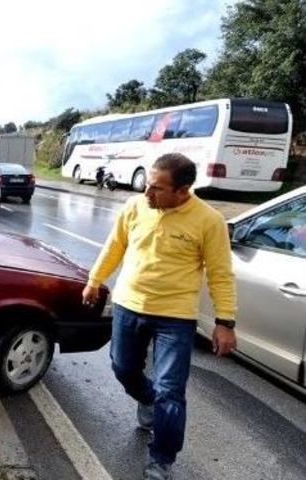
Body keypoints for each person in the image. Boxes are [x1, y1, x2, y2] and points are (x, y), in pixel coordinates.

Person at [82, 153, 237, 480]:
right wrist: (95, 281)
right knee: (123, 369)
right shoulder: (135, 207)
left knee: (171, 391)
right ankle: (149, 400)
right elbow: (114, 246)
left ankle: (161, 459)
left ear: (183, 190)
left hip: (175, 317)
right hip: (128, 304)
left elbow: (221, 274)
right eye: (147, 186)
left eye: (157, 189)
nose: (147, 194)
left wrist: (225, 322)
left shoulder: (209, 221)